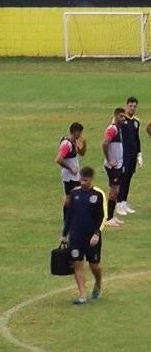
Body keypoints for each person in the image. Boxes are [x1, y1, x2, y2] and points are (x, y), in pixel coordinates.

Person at [62, 166, 105, 305]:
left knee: (94, 265)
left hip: (92, 237)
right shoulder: (74, 194)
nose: (83, 182)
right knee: (77, 264)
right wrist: (64, 234)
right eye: (81, 179)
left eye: (85, 180)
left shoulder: (97, 195)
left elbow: (102, 217)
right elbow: (69, 215)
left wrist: (96, 234)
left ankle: (98, 283)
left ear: (91, 179)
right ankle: (83, 295)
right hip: (76, 236)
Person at [56, 122, 86, 223]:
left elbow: (81, 153)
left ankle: (72, 217)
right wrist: (71, 168)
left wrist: (84, 143)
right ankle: (67, 219)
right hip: (69, 176)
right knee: (69, 198)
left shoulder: (73, 142)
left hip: (75, 176)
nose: (81, 135)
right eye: (80, 133)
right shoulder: (67, 144)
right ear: (76, 132)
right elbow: (59, 159)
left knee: (74, 197)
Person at [102, 108, 127, 228]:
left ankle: (112, 216)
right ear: (116, 116)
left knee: (116, 191)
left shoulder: (118, 128)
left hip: (117, 165)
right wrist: (108, 159)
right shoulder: (112, 129)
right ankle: (108, 217)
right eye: (121, 116)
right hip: (113, 166)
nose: (123, 119)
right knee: (113, 191)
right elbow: (105, 143)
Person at [117, 97, 142, 215]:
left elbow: (137, 139)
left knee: (129, 178)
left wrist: (139, 154)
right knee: (123, 178)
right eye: (130, 106)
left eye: (134, 106)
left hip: (132, 154)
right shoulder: (122, 121)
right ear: (126, 106)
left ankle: (124, 202)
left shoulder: (136, 122)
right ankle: (118, 203)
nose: (132, 108)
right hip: (124, 154)